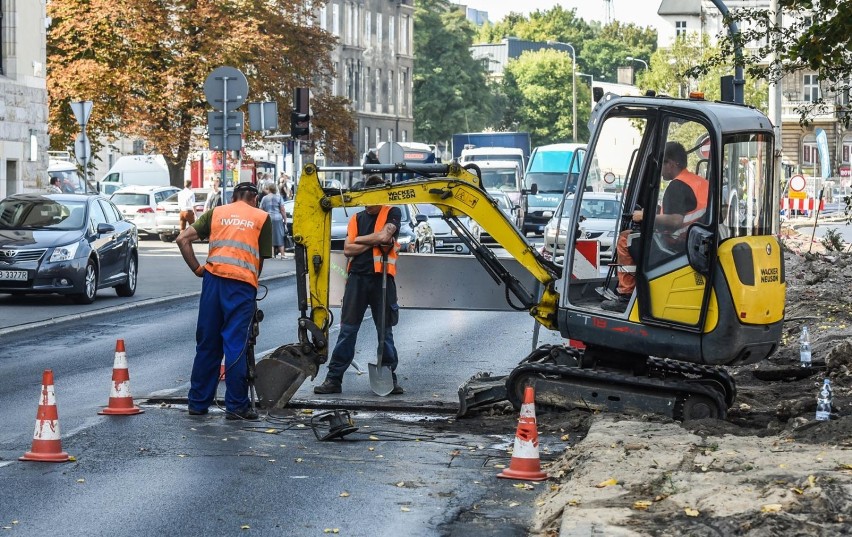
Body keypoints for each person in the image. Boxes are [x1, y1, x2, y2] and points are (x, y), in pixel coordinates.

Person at [176, 182, 273, 420]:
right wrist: (250, 281)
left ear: (233, 197)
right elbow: (259, 261)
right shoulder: (261, 217)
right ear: (255, 198)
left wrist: (198, 269)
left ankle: (198, 403)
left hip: (213, 281)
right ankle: (236, 406)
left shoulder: (217, 213)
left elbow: (182, 239)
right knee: (235, 344)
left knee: (208, 343)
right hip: (241, 286)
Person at [314, 175, 403, 395]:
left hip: (382, 279)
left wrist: (361, 240)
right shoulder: (356, 219)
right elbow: (347, 250)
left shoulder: (392, 212)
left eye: (370, 198)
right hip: (357, 280)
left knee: (385, 332)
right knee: (347, 331)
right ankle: (334, 379)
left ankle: (389, 377)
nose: (366, 202)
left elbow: (384, 236)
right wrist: (374, 240)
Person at [602, 141, 708, 312]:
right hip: (697, 240)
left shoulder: (677, 185)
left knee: (626, 238)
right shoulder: (701, 183)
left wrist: (645, 216)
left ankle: (626, 295)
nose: (659, 169)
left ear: (671, 164)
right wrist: (657, 213)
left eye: (662, 163)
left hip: (677, 242)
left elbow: (675, 221)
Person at [259, 182, 288, 259]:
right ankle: (282, 254)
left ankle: (271, 254)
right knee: (279, 235)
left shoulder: (264, 198)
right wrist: (285, 219)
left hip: (268, 218)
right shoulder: (279, 197)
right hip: (278, 218)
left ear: (269, 189)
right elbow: (282, 210)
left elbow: (261, 209)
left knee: (269, 235)